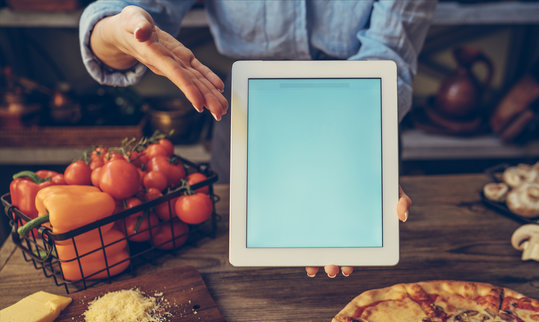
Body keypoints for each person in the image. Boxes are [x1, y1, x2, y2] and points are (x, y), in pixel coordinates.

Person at [79, 0, 436, 278]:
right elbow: (117, 19)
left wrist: (355, 142)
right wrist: (116, 33)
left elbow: (388, 55)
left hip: (360, 119)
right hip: (247, 120)